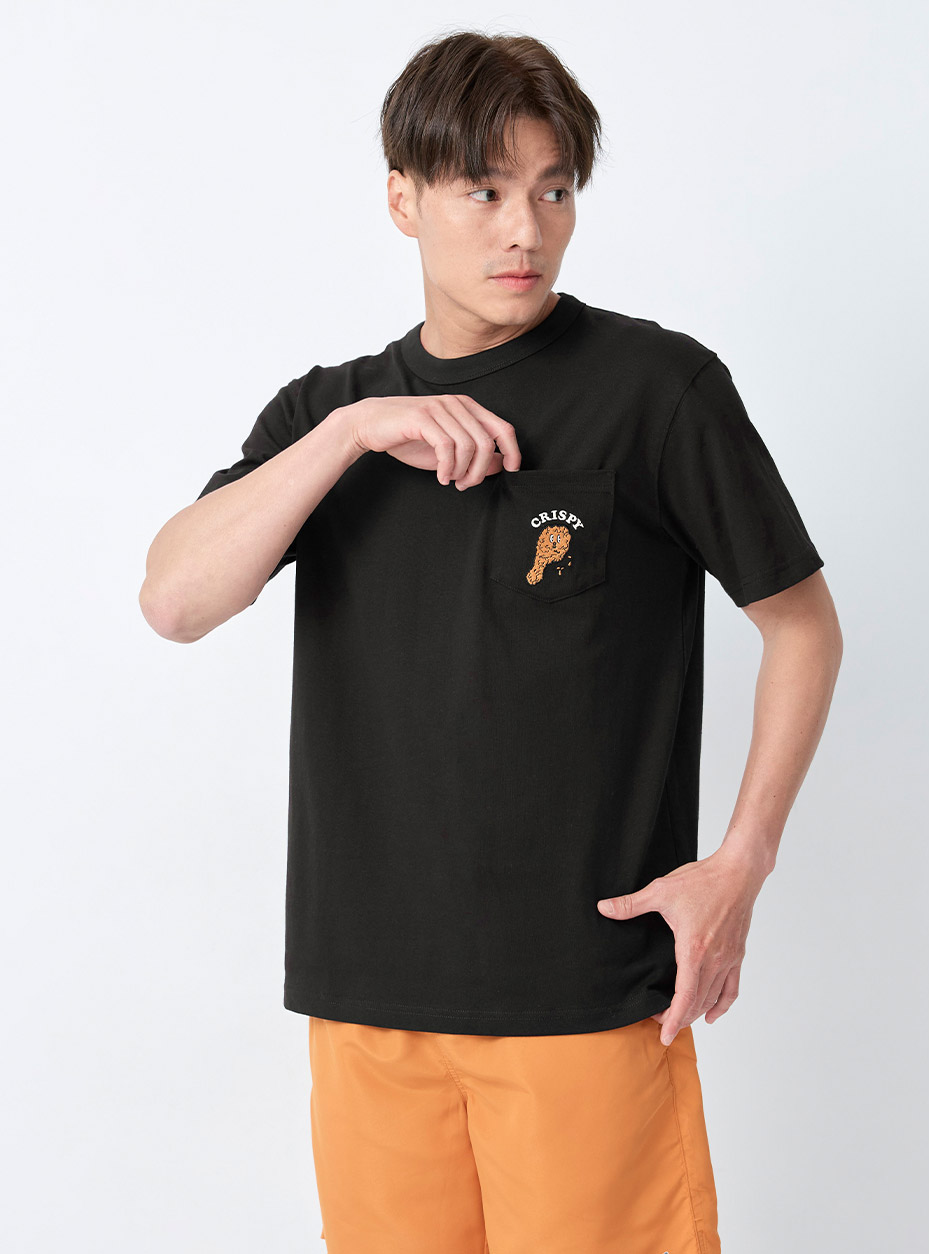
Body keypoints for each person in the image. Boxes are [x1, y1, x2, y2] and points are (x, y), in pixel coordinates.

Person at [139, 27, 842, 1254]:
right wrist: (354, 434)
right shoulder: (327, 416)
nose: (526, 230)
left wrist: (740, 865)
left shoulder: (656, 391)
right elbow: (175, 601)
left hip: (583, 993)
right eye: (484, 191)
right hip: (368, 1001)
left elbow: (802, 626)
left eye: (553, 191)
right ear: (403, 200)